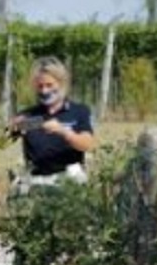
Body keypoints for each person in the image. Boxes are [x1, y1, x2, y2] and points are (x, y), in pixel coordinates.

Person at [7, 56, 95, 189]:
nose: (44, 91)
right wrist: (12, 126)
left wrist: (63, 131)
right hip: (36, 183)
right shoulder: (30, 116)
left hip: (70, 182)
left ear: (61, 84)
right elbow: (5, 137)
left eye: (49, 85)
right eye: (40, 86)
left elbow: (87, 144)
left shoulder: (78, 112)